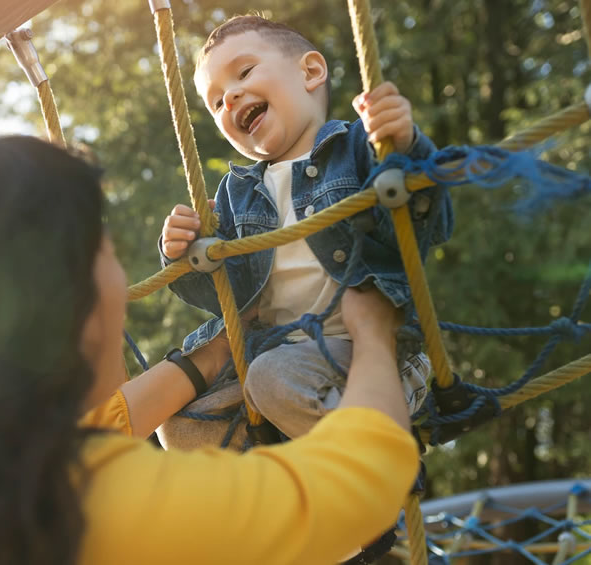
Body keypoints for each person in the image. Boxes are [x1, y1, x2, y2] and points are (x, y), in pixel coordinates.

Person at [0, 136, 418, 565]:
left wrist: (215, 354)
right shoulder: (82, 502)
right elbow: (351, 490)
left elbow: (112, 420)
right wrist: (375, 337)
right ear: (63, 310)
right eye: (109, 254)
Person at [159, 15, 453, 446]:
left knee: (272, 378)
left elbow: (427, 225)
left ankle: (374, 468)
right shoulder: (234, 194)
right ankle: (297, 488)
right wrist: (182, 253)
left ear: (310, 72)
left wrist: (405, 149)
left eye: (243, 73)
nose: (232, 96)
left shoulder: (356, 148)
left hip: (366, 349)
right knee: (178, 426)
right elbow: (226, 297)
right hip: (279, 356)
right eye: (217, 102)